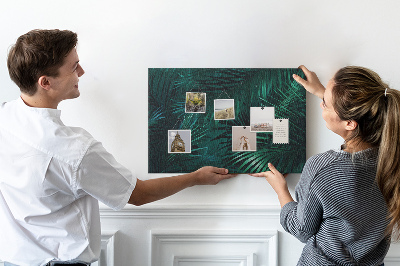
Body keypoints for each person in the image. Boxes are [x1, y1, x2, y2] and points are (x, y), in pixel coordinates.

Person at [0, 29, 235, 266]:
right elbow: (139, 194)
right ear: (46, 82)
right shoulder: (74, 149)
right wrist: (196, 177)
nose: (81, 72)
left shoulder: (4, 117)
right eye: (74, 67)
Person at [251, 65, 400, 265]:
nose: (321, 105)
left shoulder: (323, 168)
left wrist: (281, 190)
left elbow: (302, 229)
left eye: (326, 104)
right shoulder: (393, 158)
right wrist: (326, 94)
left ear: (350, 123)